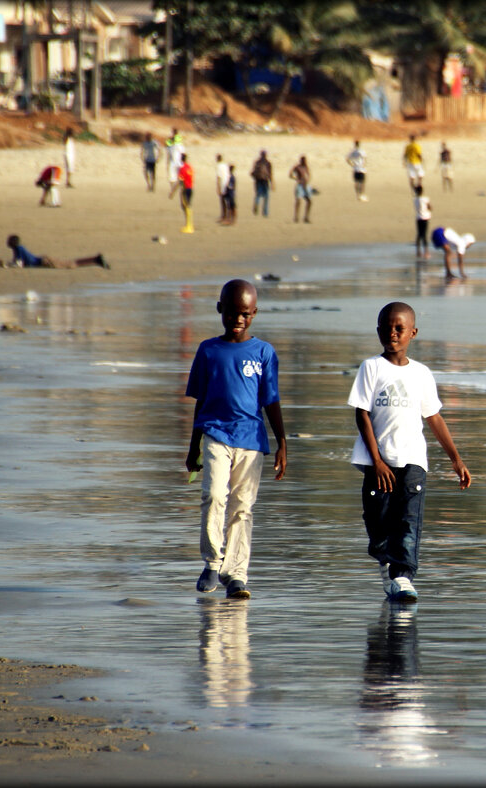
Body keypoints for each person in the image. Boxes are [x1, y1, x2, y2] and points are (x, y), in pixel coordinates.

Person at [347, 301, 471, 602]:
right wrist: (376, 461)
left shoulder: (421, 374)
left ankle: (402, 576)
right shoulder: (371, 367)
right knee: (377, 524)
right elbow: (361, 414)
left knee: (408, 520)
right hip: (378, 461)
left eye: (399, 328)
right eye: (387, 328)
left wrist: (455, 459)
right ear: (378, 331)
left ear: (412, 333)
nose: (393, 333)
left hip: (413, 460)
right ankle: (385, 560)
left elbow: (434, 417)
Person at [185, 279, 287, 600]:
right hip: (215, 433)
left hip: (251, 440)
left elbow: (271, 401)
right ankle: (213, 561)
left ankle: (237, 574)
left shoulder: (264, 353)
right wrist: (193, 447)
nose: (238, 320)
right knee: (214, 495)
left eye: (245, 313)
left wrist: (283, 442)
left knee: (242, 507)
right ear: (220, 309)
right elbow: (201, 401)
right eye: (231, 312)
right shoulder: (208, 350)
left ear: (254, 313)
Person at [0, 234, 107, 269]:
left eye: (8, 241)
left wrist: (4, 265)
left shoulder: (18, 249)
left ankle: (95, 260)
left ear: (12, 242)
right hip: (43, 260)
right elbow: (19, 262)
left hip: (44, 262)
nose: (7, 242)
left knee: (71, 264)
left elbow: (18, 264)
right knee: (70, 263)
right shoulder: (18, 249)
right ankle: (95, 260)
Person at [289, 155, 312, 224]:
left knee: (309, 201)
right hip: (299, 185)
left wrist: (307, 180)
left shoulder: (306, 167)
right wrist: (296, 179)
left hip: (306, 185)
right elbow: (290, 174)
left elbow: (308, 175)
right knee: (298, 201)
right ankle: (296, 217)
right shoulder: (297, 167)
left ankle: (306, 217)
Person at [251, 150, 274, 217]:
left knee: (258, 194)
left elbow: (253, 172)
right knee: (266, 196)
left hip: (258, 180)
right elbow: (270, 173)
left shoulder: (257, 162)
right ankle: (265, 212)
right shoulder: (268, 163)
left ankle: (256, 203)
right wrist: (272, 183)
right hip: (265, 180)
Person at [166, 127, 185, 199]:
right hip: (174, 161)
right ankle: (173, 190)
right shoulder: (172, 140)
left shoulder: (177, 140)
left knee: (176, 178)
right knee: (173, 178)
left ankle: (174, 190)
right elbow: (168, 145)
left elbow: (181, 149)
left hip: (177, 161)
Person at [413, 185, 431, 259]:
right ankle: (426, 252)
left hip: (418, 218)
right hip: (425, 217)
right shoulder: (425, 199)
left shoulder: (415, 199)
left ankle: (418, 251)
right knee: (424, 235)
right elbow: (430, 207)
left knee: (419, 234)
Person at [178, 153, 195, 234]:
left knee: (185, 206)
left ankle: (189, 226)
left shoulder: (182, 168)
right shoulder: (190, 167)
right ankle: (189, 225)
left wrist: (173, 191)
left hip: (185, 189)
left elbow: (180, 181)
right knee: (187, 206)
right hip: (190, 188)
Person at [215, 154, 230, 224]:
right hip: (228, 184)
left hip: (223, 185)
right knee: (226, 201)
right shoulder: (225, 165)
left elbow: (218, 177)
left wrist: (218, 188)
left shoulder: (218, 166)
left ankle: (224, 216)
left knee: (223, 202)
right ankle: (225, 216)